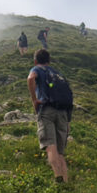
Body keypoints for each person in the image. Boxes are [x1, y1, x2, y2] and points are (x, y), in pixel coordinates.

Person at [27, 49, 70, 182]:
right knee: (60, 152)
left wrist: (34, 100)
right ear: (49, 61)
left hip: (47, 111)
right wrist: (68, 120)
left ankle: (58, 179)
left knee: (51, 146)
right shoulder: (57, 73)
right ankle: (66, 182)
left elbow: (30, 78)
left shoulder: (37, 69)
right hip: (63, 112)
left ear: (35, 60)